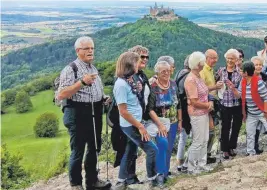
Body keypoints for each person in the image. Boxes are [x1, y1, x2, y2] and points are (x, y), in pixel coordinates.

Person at [57, 36, 111, 190]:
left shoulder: (92, 68)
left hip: (95, 111)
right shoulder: (70, 69)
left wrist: (103, 98)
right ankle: (76, 184)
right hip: (77, 113)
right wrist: (82, 82)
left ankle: (92, 181)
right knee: (78, 149)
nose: (90, 51)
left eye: (92, 48)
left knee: (95, 147)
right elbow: (61, 94)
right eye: (87, 48)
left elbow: (95, 90)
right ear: (78, 51)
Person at [112, 52, 160, 189]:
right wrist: (140, 126)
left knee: (130, 151)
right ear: (130, 64)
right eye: (137, 62)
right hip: (131, 124)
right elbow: (123, 111)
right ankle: (153, 178)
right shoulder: (121, 84)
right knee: (152, 149)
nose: (139, 64)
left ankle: (121, 180)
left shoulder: (131, 79)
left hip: (134, 122)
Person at [231, 61, 267, 157]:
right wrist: (233, 89)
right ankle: (250, 152)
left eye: (242, 71)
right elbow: (239, 95)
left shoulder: (258, 82)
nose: (240, 72)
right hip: (251, 114)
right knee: (250, 133)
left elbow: (266, 98)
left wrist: (265, 112)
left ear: (246, 72)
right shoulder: (243, 82)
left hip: (263, 112)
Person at [146, 60, 183, 184]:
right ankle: (159, 174)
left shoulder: (173, 84)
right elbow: (150, 109)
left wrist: (180, 121)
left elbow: (178, 104)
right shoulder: (153, 87)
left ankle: (165, 172)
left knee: (168, 148)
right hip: (159, 123)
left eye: (168, 70)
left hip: (173, 122)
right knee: (162, 145)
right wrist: (160, 125)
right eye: (163, 71)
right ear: (157, 72)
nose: (166, 73)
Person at [184, 51, 215, 174]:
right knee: (198, 141)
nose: (204, 64)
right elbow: (194, 101)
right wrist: (208, 104)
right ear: (198, 64)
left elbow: (204, 91)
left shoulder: (198, 76)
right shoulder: (191, 79)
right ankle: (191, 167)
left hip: (204, 113)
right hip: (197, 114)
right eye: (202, 62)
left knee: (204, 139)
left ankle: (202, 164)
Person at [216, 49, 243, 159]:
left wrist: (233, 87)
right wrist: (217, 84)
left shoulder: (240, 73)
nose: (230, 60)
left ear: (237, 59)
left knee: (236, 126)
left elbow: (241, 91)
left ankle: (232, 146)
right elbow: (215, 84)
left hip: (236, 103)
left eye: (232, 58)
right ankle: (225, 149)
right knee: (225, 126)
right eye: (228, 58)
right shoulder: (220, 71)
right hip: (224, 103)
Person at [199, 49, 222, 164]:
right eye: (213, 58)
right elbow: (201, 90)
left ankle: (206, 155)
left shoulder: (210, 70)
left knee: (211, 131)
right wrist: (215, 87)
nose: (215, 60)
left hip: (211, 104)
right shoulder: (203, 71)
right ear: (206, 58)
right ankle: (203, 156)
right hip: (206, 105)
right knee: (209, 131)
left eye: (216, 57)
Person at [175, 55, 191, 172]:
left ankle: (179, 162)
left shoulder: (179, 73)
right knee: (194, 136)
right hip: (187, 108)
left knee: (182, 136)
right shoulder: (189, 76)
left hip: (179, 108)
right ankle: (187, 162)